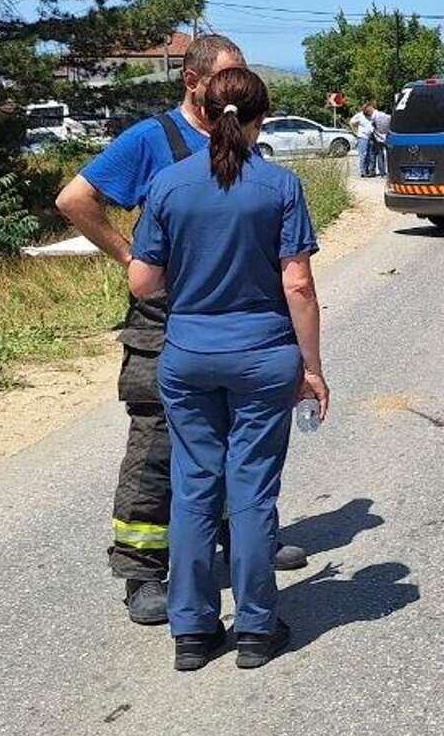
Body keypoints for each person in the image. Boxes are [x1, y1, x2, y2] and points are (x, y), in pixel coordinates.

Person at [54, 34, 307, 627]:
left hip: (230, 324)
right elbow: (75, 199)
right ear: (192, 82)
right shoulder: (153, 140)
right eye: (226, 76)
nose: (236, 88)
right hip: (166, 321)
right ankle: (143, 567)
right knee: (159, 443)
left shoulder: (241, 140)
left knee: (225, 443)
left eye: (242, 77)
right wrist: (128, 258)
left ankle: (236, 548)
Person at [129, 66, 328, 672]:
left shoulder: (167, 185)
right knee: (251, 489)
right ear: (261, 118)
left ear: (204, 110)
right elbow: (297, 282)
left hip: (187, 357)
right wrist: (312, 368)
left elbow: (142, 279)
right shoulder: (280, 186)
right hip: (263, 359)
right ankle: (256, 630)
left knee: (194, 487)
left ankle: (191, 630)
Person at [348, 102, 376, 177]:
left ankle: (371, 171)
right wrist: (355, 132)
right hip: (363, 137)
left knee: (371, 155)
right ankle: (363, 171)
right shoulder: (359, 115)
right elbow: (351, 122)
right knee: (363, 154)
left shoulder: (373, 115)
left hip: (372, 137)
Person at [368, 100, 392, 177]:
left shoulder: (372, 119)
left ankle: (382, 172)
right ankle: (391, 171)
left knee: (380, 155)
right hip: (388, 137)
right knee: (390, 155)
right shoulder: (385, 116)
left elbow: (371, 130)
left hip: (378, 139)